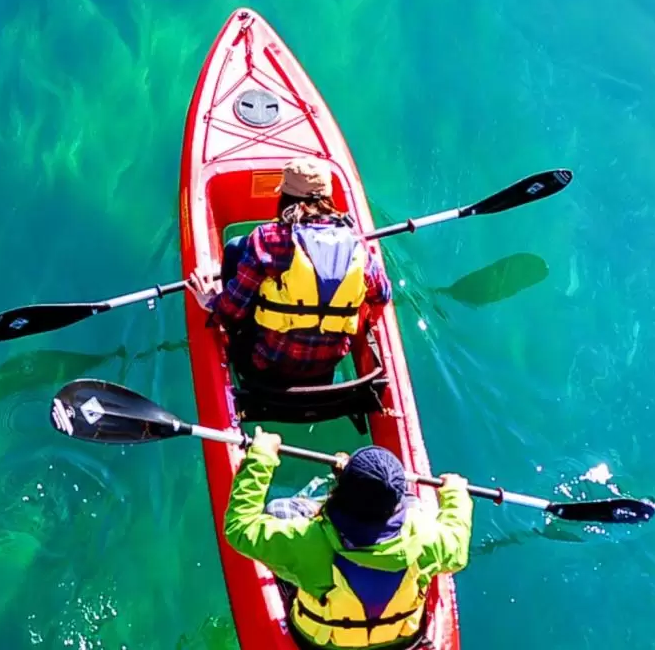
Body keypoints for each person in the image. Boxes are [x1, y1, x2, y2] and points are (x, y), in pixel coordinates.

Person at [223, 429, 474, 650]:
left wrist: (262, 458)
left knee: (278, 509)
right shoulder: (426, 539)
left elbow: (239, 527)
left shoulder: (308, 543)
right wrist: (456, 494)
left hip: (322, 644)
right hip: (402, 640)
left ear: (342, 490)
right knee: (415, 504)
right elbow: (458, 546)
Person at [186, 156, 392, 388]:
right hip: (324, 373)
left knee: (235, 247)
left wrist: (211, 301)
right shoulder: (356, 245)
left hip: (262, 368)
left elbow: (231, 310)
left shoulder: (267, 239)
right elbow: (382, 294)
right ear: (328, 198)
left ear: (286, 197)